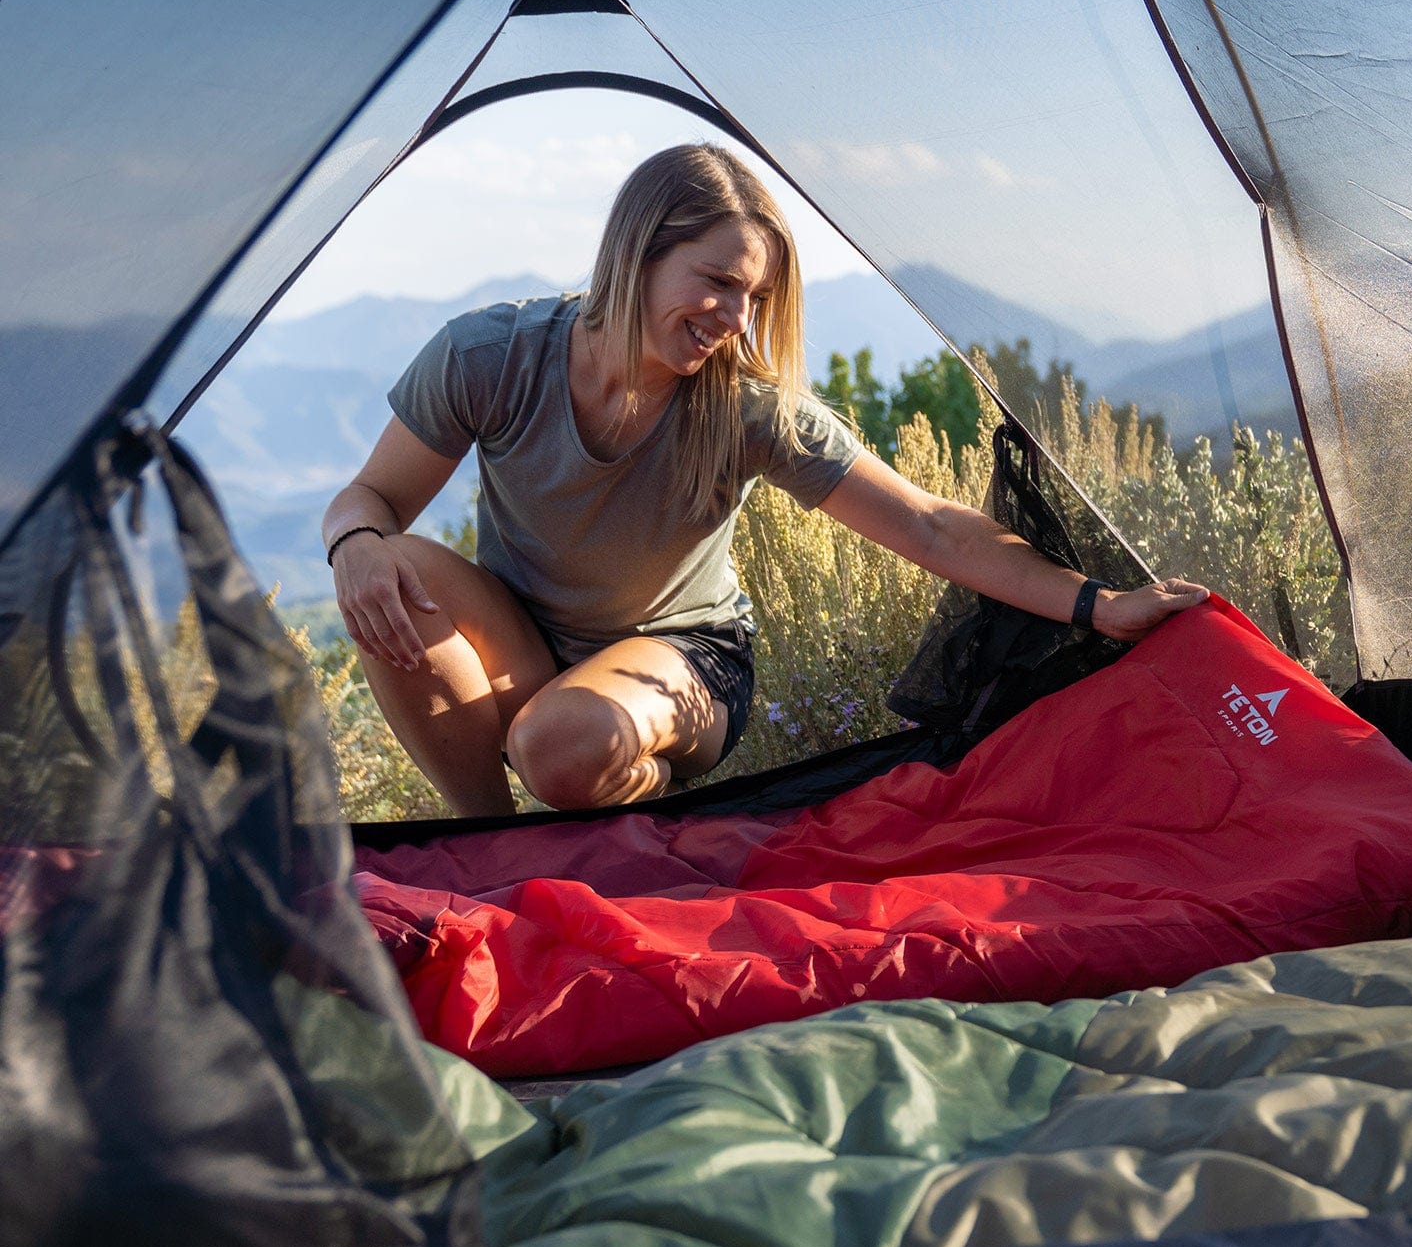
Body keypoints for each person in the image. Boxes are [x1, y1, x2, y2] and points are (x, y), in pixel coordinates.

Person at [320, 142, 1206, 818]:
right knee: (391, 562)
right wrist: (352, 543)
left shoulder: (746, 411)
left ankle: (628, 801)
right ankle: (486, 843)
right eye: (717, 281)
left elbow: (929, 524)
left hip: (681, 660)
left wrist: (1099, 605)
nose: (736, 320)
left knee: (559, 747)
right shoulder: (489, 357)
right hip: (525, 643)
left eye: (754, 298)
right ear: (638, 253)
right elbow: (370, 500)